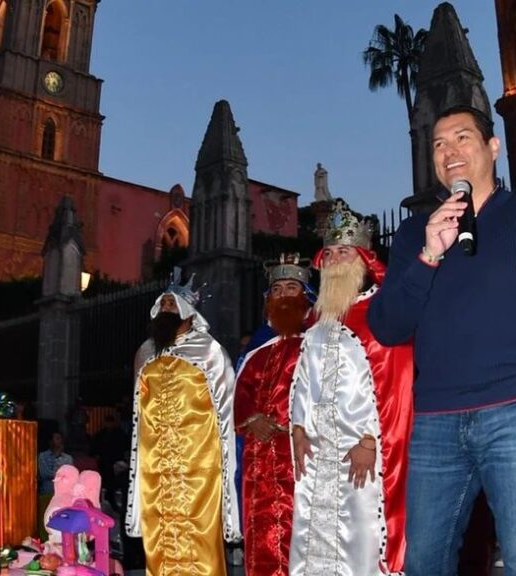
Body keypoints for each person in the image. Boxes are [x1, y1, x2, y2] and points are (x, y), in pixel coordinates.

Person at [367, 105, 516, 576]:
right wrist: (429, 256)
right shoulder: (414, 233)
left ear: (493, 147)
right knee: (423, 562)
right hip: (435, 419)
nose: (448, 150)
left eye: (462, 137)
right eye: (438, 143)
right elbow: (387, 327)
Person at [289, 200, 414, 575]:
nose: (334, 260)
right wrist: (298, 429)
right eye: (328, 253)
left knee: (362, 538)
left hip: (362, 451)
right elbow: (302, 381)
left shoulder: (381, 312)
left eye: (343, 252)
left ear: (363, 259)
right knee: (316, 534)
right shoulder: (317, 320)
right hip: (318, 452)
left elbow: (397, 386)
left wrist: (370, 442)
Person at [123, 270, 241, 574]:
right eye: (162, 304)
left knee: (198, 539)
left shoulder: (210, 351)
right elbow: (138, 413)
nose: (166, 309)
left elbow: (227, 408)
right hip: (157, 465)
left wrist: (226, 462)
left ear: (189, 310)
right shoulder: (145, 353)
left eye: (171, 304)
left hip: (198, 465)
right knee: (160, 535)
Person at [234, 253, 315, 576]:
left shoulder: (319, 341)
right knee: (262, 532)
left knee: (304, 534)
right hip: (259, 457)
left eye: (291, 287)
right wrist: (253, 419)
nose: (283, 295)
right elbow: (240, 392)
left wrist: (294, 425)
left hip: (302, 454)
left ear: (306, 296)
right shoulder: (257, 346)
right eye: (277, 289)